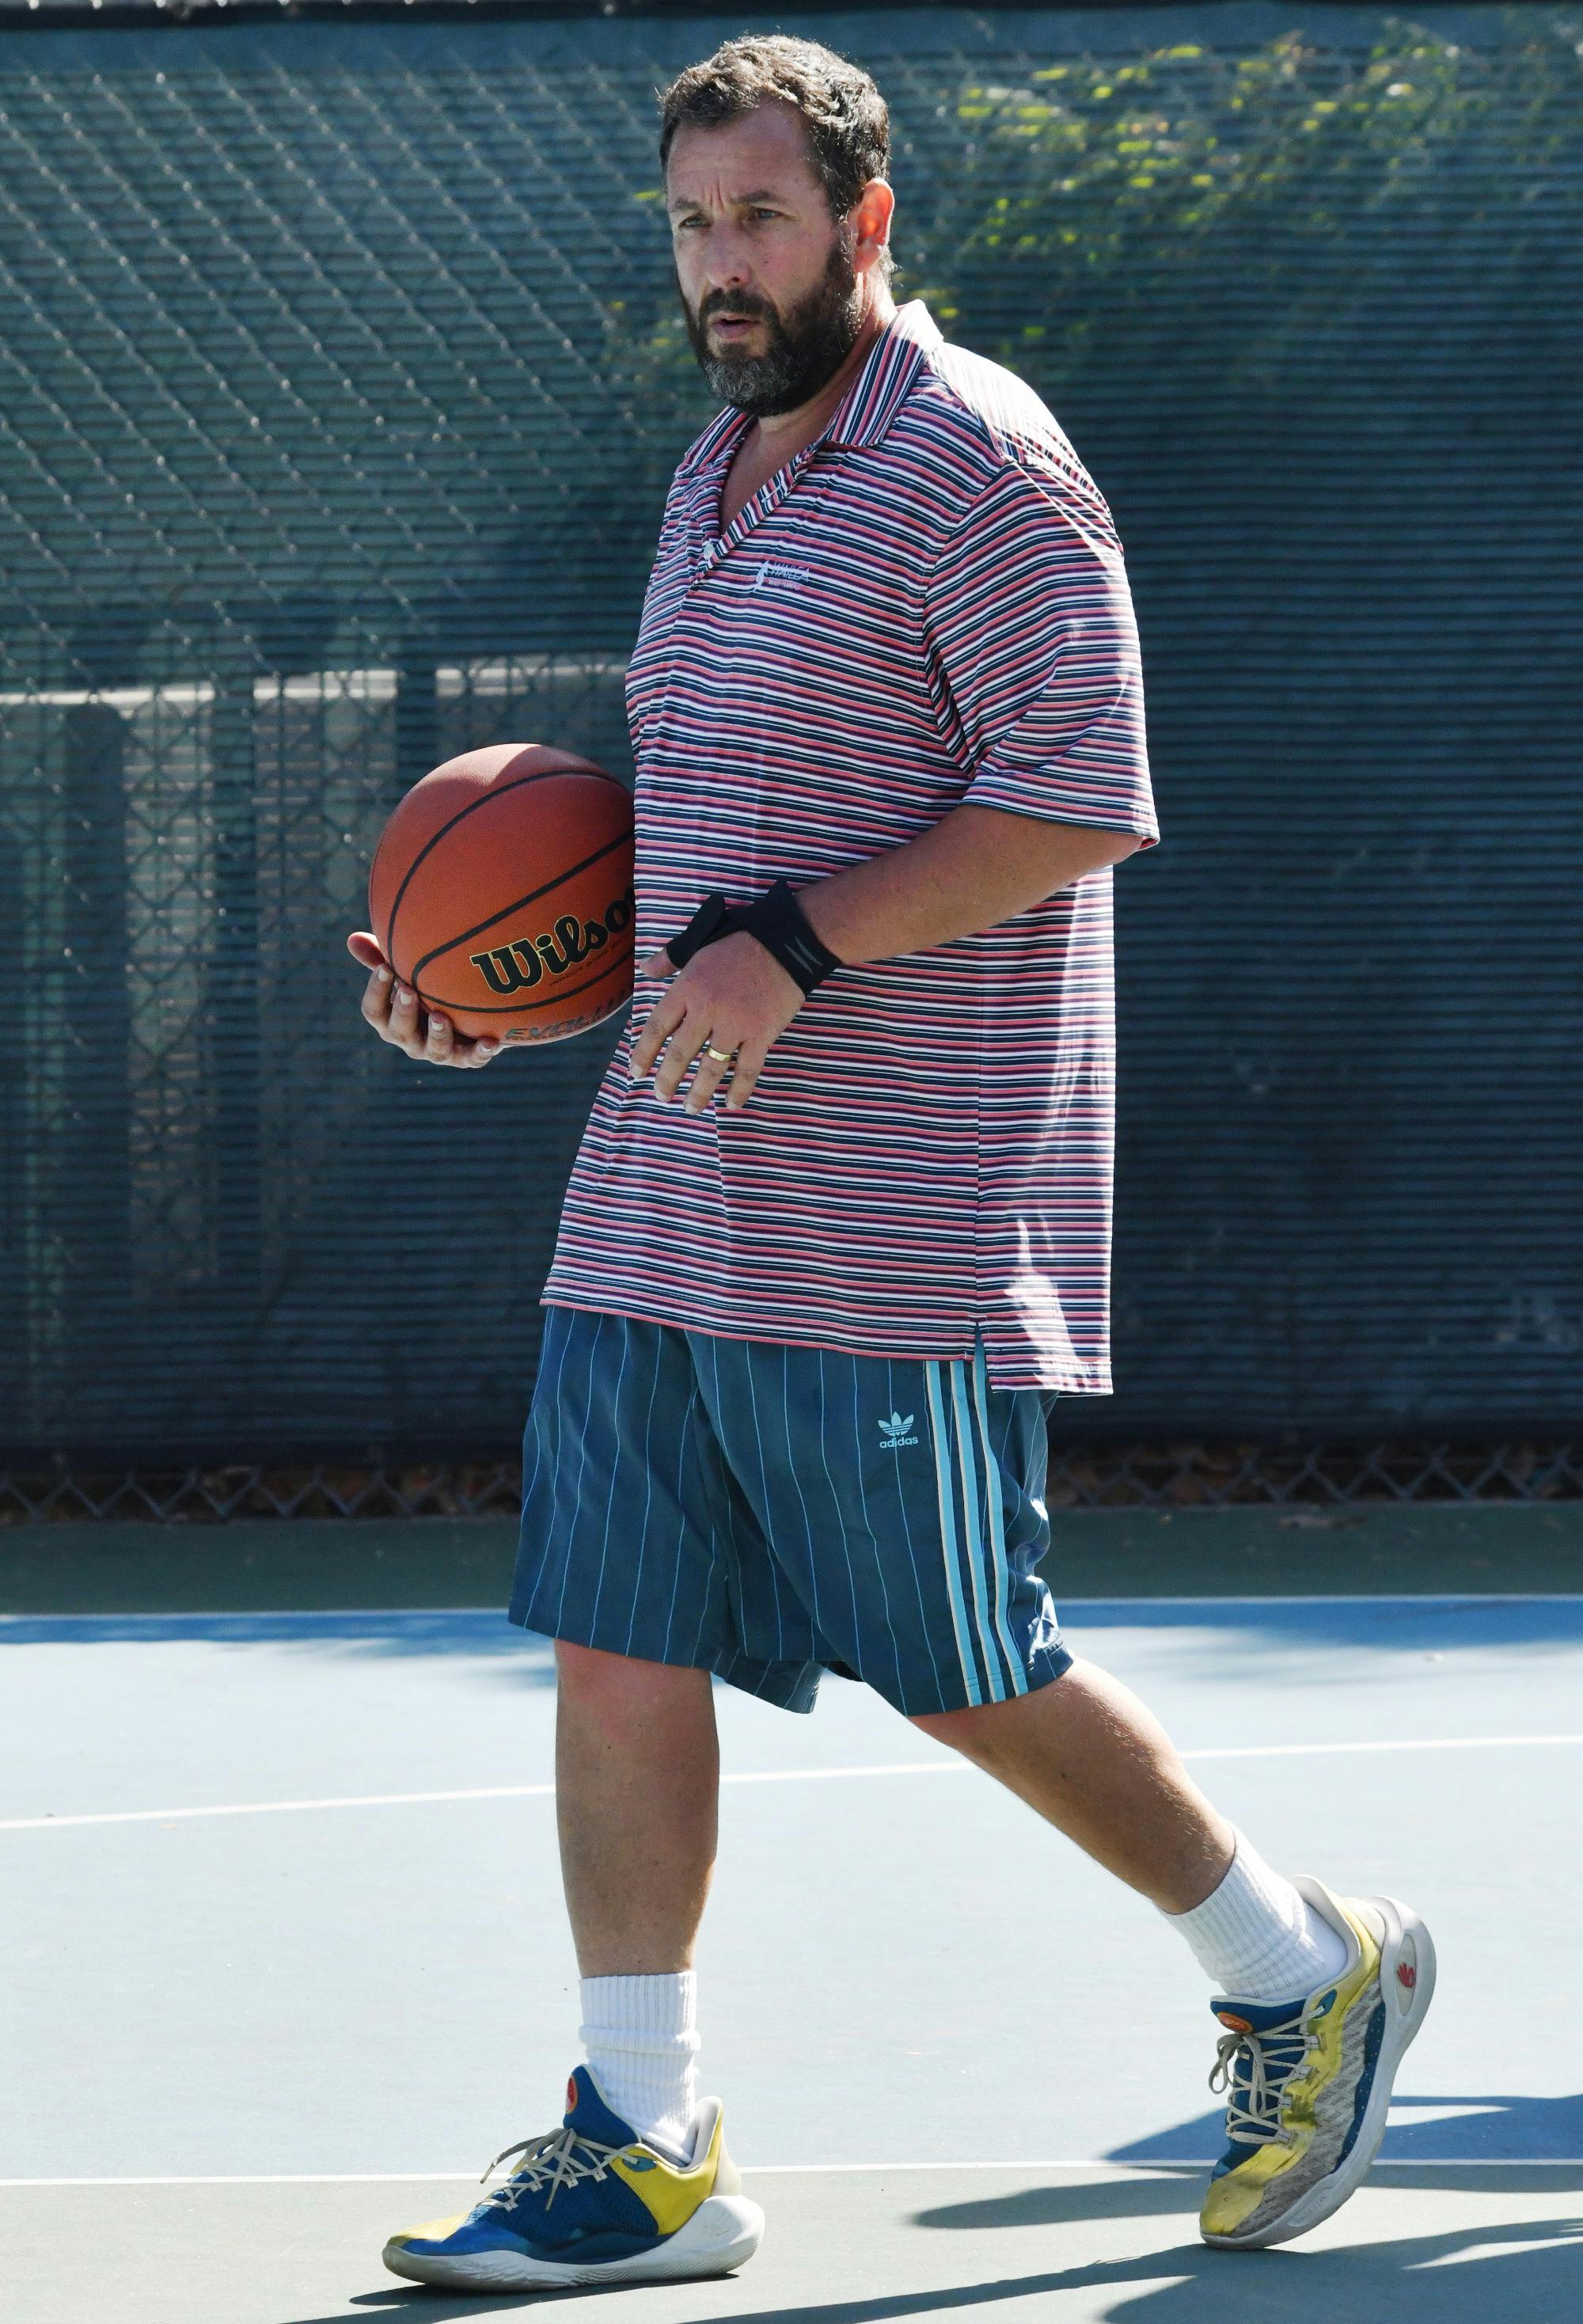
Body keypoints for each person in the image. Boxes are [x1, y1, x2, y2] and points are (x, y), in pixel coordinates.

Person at [348, 33, 1433, 2296]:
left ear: (862, 225)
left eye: (756, 223)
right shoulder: (714, 476)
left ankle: (1295, 1967)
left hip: (901, 1211)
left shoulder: (983, 461)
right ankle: (641, 2135)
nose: (717, 272)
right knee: (612, 1631)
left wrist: (796, 953)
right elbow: (694, 840)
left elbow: (1082, 790)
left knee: (961, 1652)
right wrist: (503, 983)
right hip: (667, 1181)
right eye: (686, 228)